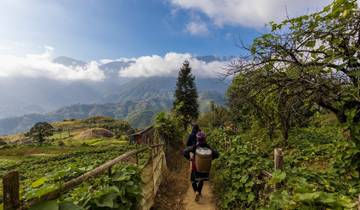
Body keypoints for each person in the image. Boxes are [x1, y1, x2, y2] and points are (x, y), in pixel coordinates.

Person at [183, 131, 219, 202]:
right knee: (201, 180)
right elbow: (217, 154)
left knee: (193, 181)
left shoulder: (195, 147)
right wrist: (210, 158)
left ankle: (196, 191)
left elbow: (185, 152)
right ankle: (199, 192)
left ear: (197, 139)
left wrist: (189, 158)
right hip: (205, 168)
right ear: (205, 139)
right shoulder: (209, 147)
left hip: (195, 167)